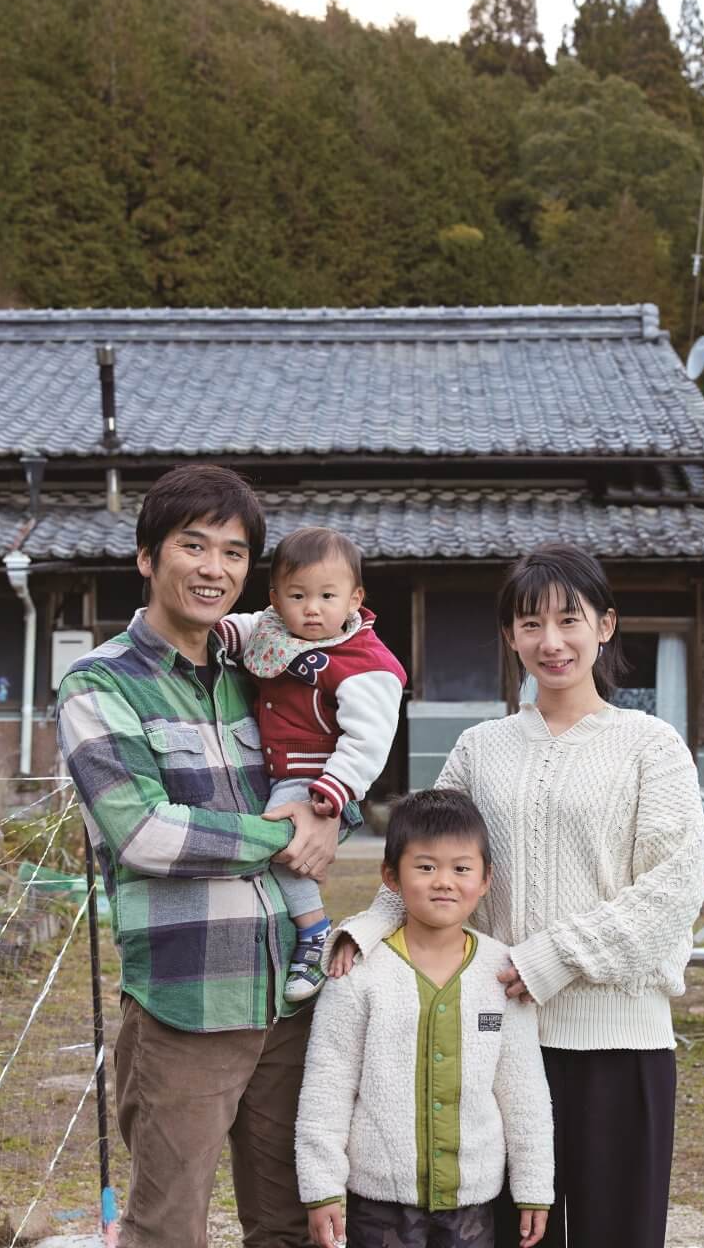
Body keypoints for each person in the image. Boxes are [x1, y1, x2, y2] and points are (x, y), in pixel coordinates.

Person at [330, 543, 704, 1248]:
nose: (551, 641)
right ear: (510, 636)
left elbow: (674, 886)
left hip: (619, 1044)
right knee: (503, 1238)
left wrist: (554, 957)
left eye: (570, 619)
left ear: (606, 625)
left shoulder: (650, 745)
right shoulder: (480, 747)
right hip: (495, 1039)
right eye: (530, 624)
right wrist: (368, 929)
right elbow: (426, 858)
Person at [56, 463, 344, 1248]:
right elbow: (145, 834)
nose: (214, 569)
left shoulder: (258, 666)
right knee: (169, 1227)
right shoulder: (99, 684)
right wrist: (284, 835)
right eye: (193, 546)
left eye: (235, 552)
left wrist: (325, 814)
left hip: (288, 995)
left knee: (292, 1223)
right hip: (187, 1001)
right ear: (147, 557)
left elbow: (322, 755)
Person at [296, 789, 552, 1248]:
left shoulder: (502, 973)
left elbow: (524, 1092)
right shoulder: (358, 971)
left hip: (473, 1202)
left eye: (461, 868)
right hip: (378, 1204)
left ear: (486, 878)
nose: (444, 882)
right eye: (426, 867)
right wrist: (321, 1189)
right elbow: (327, 1085)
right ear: (391, 877)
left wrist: (534, 1186)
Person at [217, 526, 407, 1002]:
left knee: (284, 848)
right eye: (297, 595)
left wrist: (336, 787)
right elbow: (245, 628)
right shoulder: (274, 631)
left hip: (317, 777)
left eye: (327, 595)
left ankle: (314, 932)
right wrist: (209, 630)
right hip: (276, 769)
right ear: (276, 598)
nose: (312, 608)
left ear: (354, 598)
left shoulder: (364, 663)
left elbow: (369, 737)